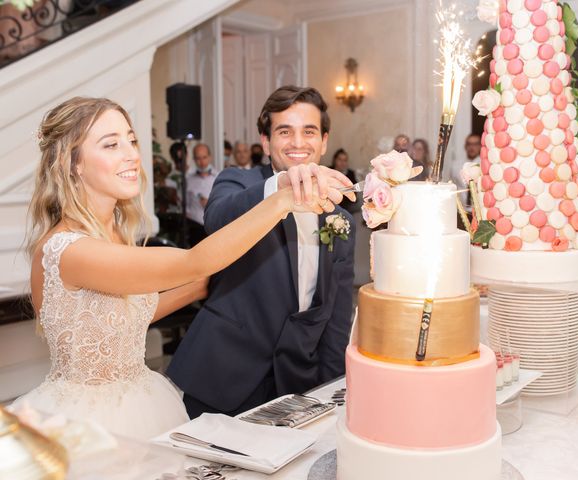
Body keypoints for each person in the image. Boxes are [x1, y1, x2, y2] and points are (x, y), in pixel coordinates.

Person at [11, 96, 349, 440]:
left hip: (140, 398)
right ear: (74, 163)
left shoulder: (111, 233)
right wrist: (284, 199)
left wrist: (202, 286)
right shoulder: (70, 249)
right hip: (91, 423)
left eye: (131, 140)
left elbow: (128, 313)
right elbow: (195, 261)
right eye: (111, 144)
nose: (131, 154)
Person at [168, 86, 358, 418]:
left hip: (298, 382)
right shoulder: (238, 182)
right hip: (222, 378)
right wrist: (281, 188)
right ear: (266, 142)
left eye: (309, 132)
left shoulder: (340, 219)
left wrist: (329, 389)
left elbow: (337, 313)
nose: (298, 143)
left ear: (324, 141)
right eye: (285, 131)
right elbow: (216, 220)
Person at [186, 143, 218, 245]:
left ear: (210, 157)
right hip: (194, 229)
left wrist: (210, 203)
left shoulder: (219, 177)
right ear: (194, 160)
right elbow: (185, 206)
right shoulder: (188, 180)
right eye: (198, 158)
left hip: (215, 228)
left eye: (204, 157)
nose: (202, 162)